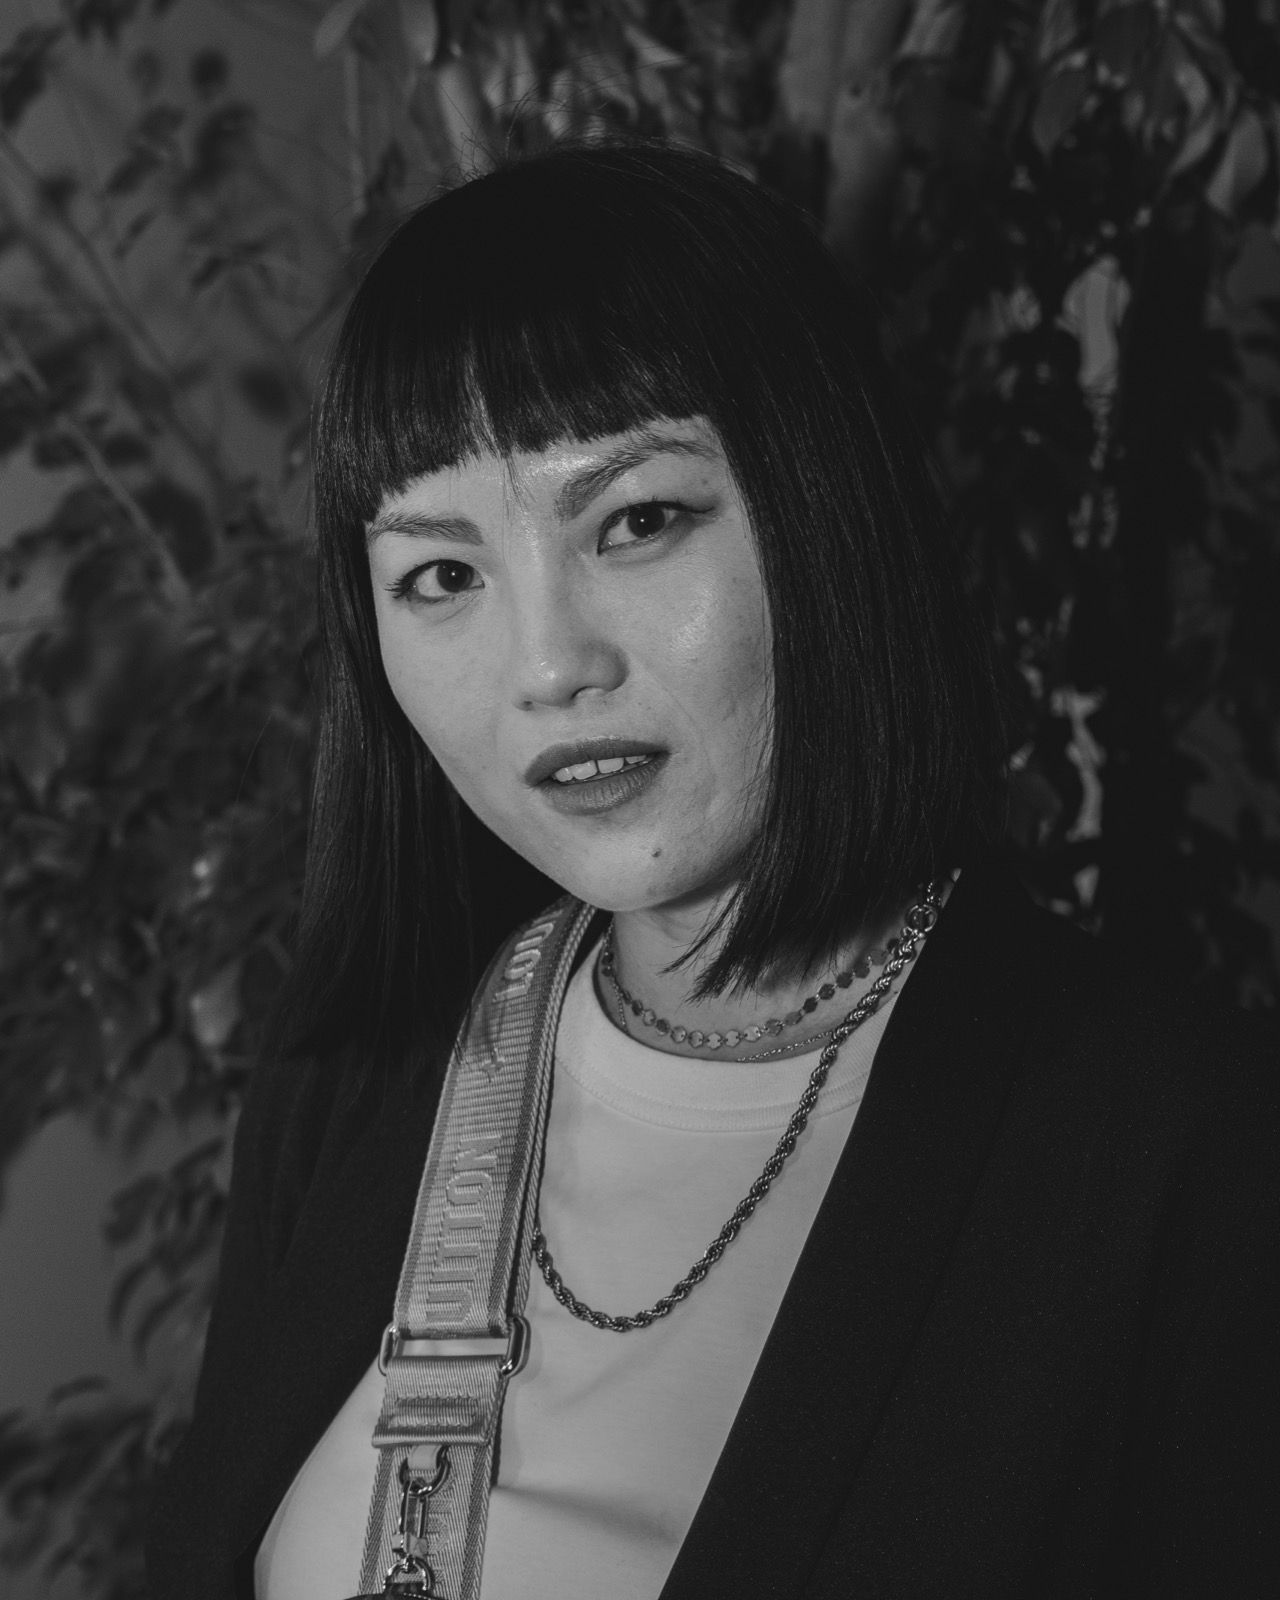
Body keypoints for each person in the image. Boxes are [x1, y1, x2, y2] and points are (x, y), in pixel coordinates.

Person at [145, 141, 1278, 1600]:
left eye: (637, 522)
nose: (549, 665)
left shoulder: (1182, 1152)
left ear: (826, 512)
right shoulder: (352, 1086)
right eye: (443, 575)